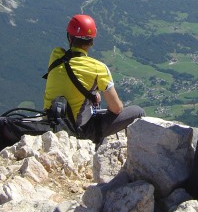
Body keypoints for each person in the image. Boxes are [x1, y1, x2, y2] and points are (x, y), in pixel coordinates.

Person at [43, 14, 145, 143]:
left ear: (69, 37)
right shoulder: (98, 68)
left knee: (93, 97)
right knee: (138, 112)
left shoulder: (56, 55)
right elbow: (117, 109)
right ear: (91, 41)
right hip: (79, 131)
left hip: (51, 124)